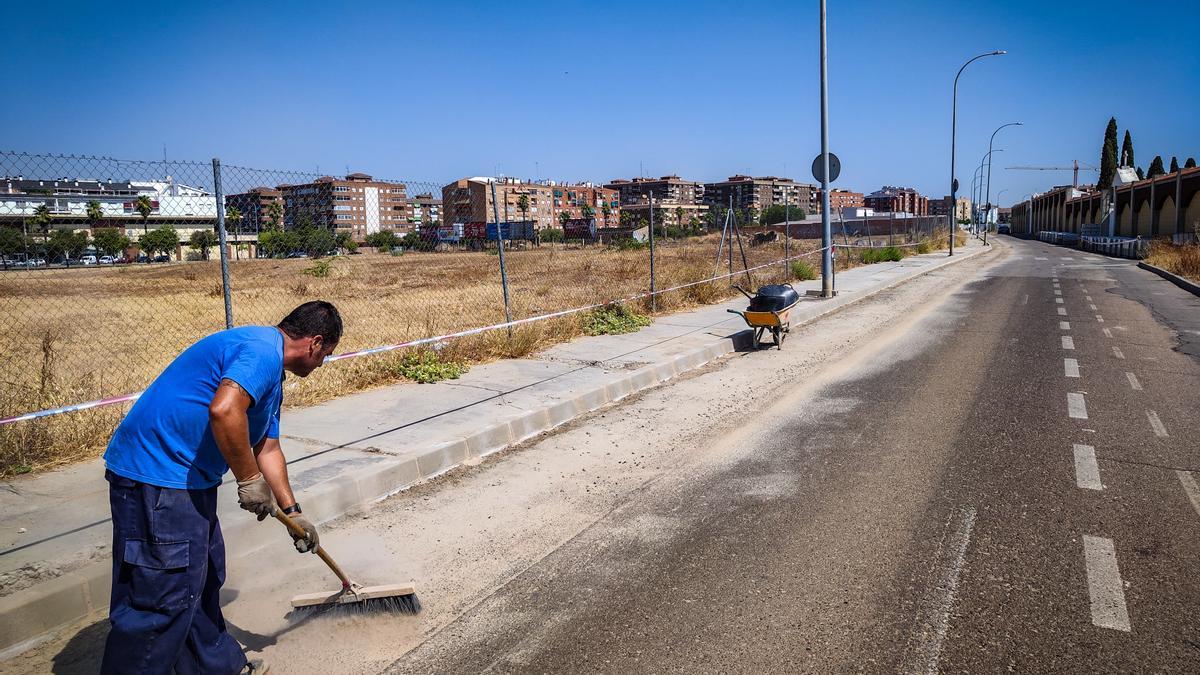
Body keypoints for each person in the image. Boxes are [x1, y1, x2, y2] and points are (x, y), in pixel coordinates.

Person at [100, 301, 343, 674]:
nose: (323, 363)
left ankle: (215, 667)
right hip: (157, 478)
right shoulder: (262, 352)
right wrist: (248, 481)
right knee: (162, 596)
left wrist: (294, 512)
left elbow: (267, 446)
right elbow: (224, 410)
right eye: (326, 354)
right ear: (314, 342)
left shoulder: (270, 372)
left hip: (186, 480)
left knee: (203, 575)